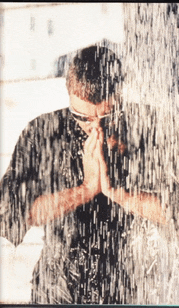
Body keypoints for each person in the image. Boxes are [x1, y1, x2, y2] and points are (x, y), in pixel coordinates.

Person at [0, 45, 167, 304]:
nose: (95, 129)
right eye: (83, 117)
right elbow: (9, 215)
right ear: (69, 94)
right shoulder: (43, 132)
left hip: (127, 288)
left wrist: (115, 191)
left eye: (107, 116)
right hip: (55, 291)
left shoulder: (148, 127)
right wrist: (87, 189)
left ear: (121, 93)